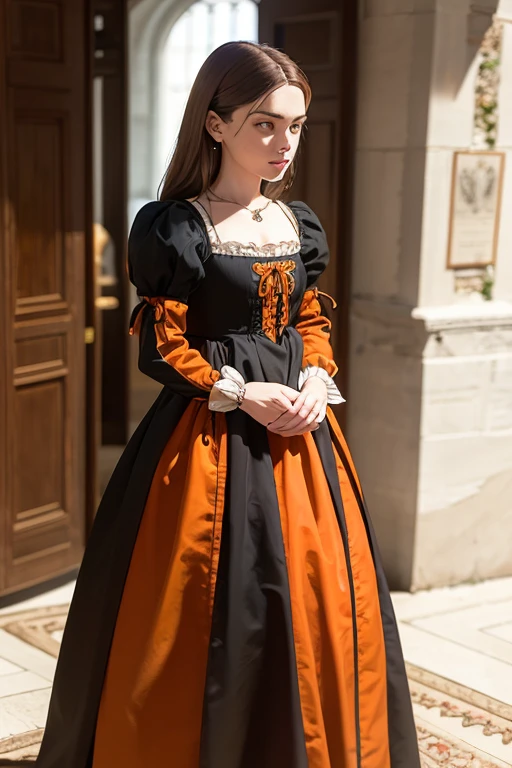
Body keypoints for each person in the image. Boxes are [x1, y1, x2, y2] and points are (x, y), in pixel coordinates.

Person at [35, 41, 421, 768]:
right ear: (215, 125)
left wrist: (313, 381)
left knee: (319, 600)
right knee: (207, 606)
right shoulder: (176, 225)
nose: (284, 143)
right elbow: (161, 345)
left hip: (300, 438)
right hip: (207, 436)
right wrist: (245, 391)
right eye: (264, 124)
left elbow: (308, 322)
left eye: (296, 126)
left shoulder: (295, 223)